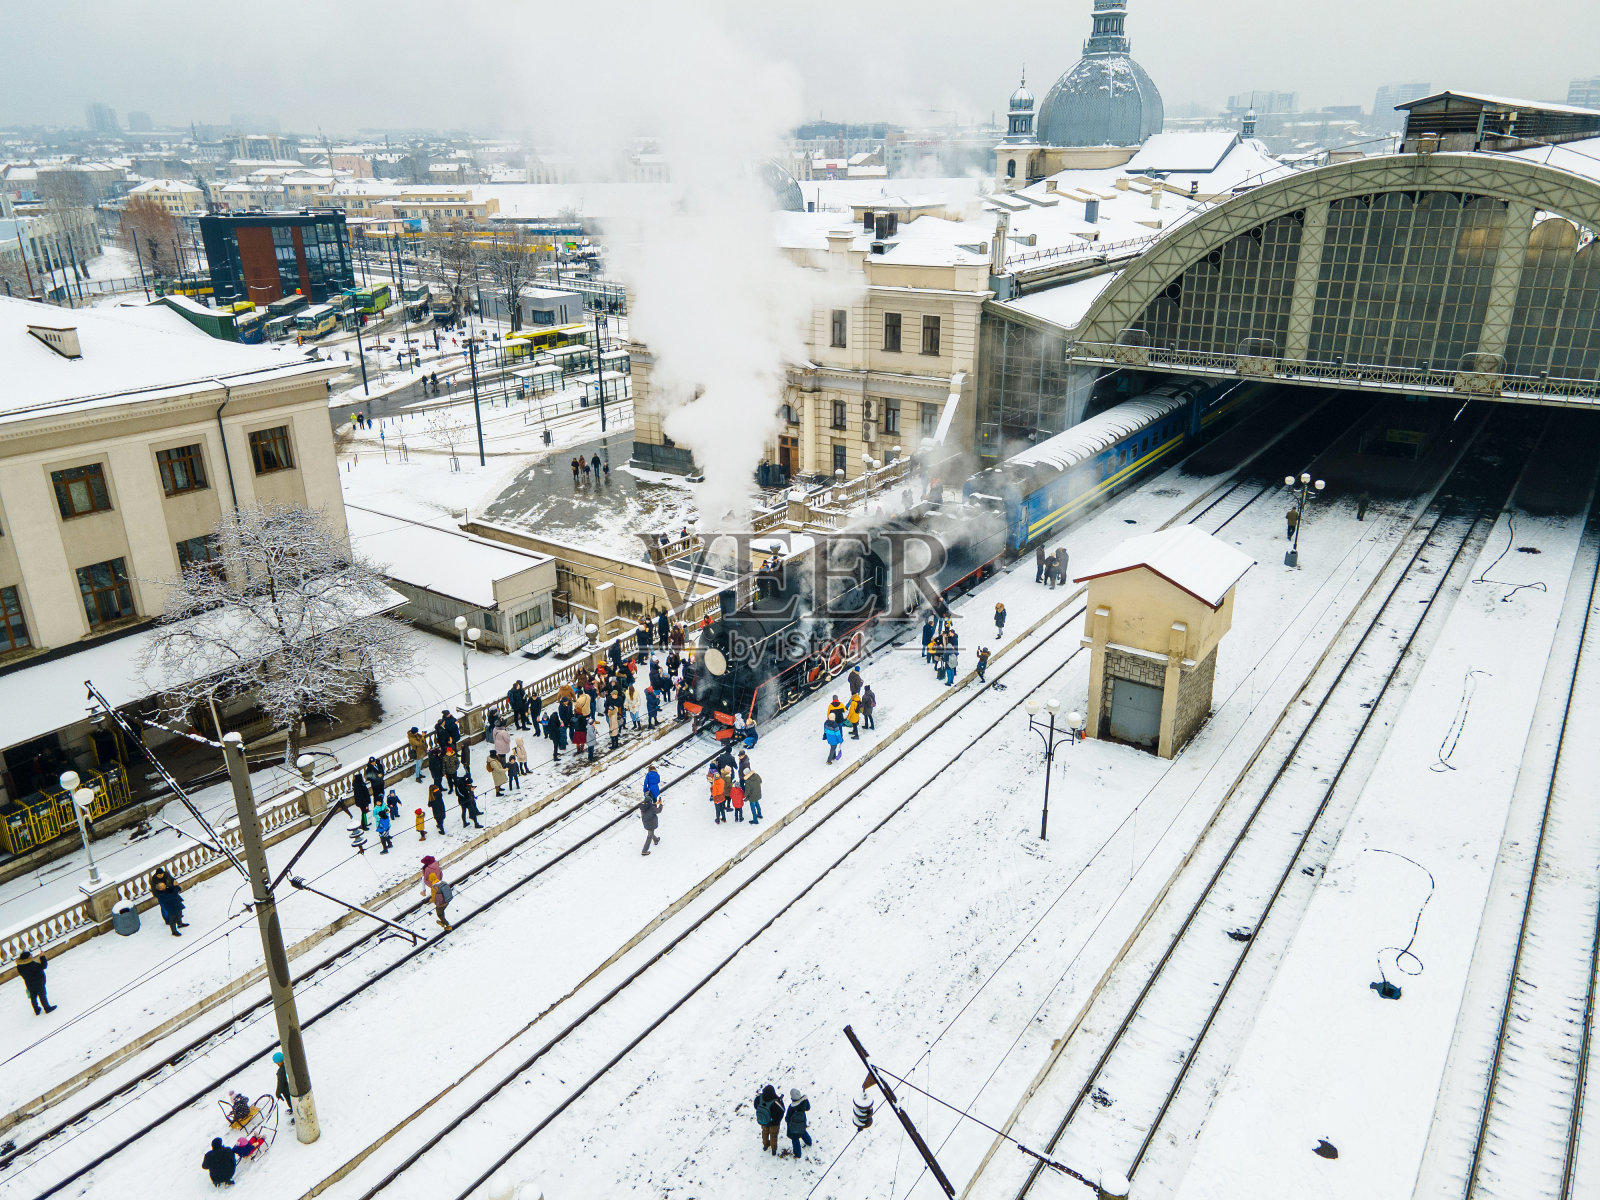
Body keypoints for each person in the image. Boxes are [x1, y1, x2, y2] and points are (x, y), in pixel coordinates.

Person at [150, 866, 188, 937]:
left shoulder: (166, 876)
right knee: (168, 913)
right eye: (159, 875)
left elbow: (172, 881)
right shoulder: (154, 881)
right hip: (167, 901)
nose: (160, 876)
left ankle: (179, 923)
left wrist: (174, 886)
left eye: (161, 874)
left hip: (173, 900)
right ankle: (169, 922)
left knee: (179, 912)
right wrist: (174, 888)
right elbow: (155, 891)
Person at [15, 949, 55, 1014]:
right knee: (42, 995)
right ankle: (47, 1008)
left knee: (33, 997)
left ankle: (36, 1010)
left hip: (29, 984)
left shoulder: (19, 966)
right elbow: (43, 966)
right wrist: (42, 957)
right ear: (27, 957)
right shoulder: (32, 964)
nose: (32, 956)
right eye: (30, 955)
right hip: (38, 983)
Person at [420, 855, 452, 930]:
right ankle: (444, 923)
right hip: (447, 899)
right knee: (442, 912)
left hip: (441, 902)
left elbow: (434, 897)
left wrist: (431, 900)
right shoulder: (442, 882)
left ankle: (447, 925)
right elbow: (441, 874)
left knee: (439, 913)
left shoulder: (434, 887)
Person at [755, 1084, 785, 1156]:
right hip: (773, 1123)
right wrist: (777, 1121)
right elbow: (782, 1111)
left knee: (764, 1132)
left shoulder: (759, 1098)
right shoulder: (776, 1101)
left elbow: (756, 1106)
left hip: (763, 1121)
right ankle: (773, 1149)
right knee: (773, 1135)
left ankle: (765, 1145)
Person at [786, 1088, 813, 1159]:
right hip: (802, 1122)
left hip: (793, 1127)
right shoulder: (804, 1102)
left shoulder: (791, 1107)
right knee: (803, 1132)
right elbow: (808, 1108)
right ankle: (809, 1142)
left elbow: (787, 1118)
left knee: (795, 1139)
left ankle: (798, 1154)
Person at [638, 789, 662, 857]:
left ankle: (656, 840)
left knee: (650, 832)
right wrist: (660, 804)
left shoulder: (643, 807)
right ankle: (644, 851)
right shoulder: (651, 808)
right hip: (651, 824)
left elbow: (651, 807)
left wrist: (656, 803)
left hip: (646, 823)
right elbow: (658, 810)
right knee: (649, 836)